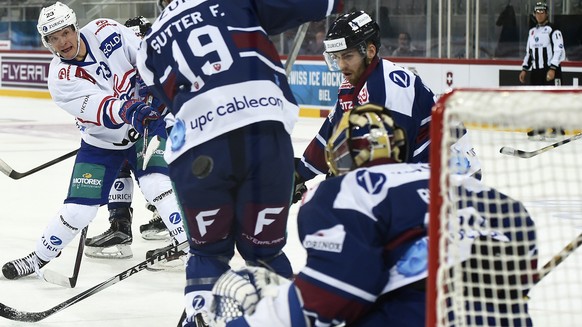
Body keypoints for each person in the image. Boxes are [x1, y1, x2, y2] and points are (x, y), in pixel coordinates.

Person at [208, 103, 539, 327]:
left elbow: (336, 294)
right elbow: (518, 228)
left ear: (340, 155)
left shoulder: (345, 190)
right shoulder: (451, 179)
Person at [136, 0, 344, 325]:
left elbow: (168, 101)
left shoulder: (148, 45)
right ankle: (282, 318)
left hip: (198, 149)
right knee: (265, 253)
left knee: (207, 253)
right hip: (264, 133)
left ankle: (202, 314)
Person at [1, 1, 187, 280]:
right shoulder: (60, 79)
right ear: (47, 42)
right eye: (53, 38)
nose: (62, 42)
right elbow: (103, 108)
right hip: (102, 143)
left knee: (155, 183)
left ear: (75, 28)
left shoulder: (106, 29)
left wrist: (157, 88)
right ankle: (37, 259)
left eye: (65, 32)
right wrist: (131, 109)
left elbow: (146, 58)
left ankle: (188, 245)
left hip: (145, 131)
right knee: (78, 212)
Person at [293, 11, 480, 203]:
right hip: (419, 169)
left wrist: (347, 179)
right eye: (336, 57)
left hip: (453, 174)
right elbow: (333, 131)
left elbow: (394, 162)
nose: (341, 65)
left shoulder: (390, 91)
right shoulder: (352, 84)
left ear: (370, 51)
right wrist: (300, 173)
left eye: (347, 56)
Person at [84, 15, 170, 261]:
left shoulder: (157, 55)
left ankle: (180, 230)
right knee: (118, 164)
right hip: (135, 130)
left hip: (170, 126)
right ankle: (120, 226)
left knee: (160, 174)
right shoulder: (121, 60)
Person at [519, 2, 566, 139]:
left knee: (554, 99)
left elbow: (559, 50)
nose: (539, 14)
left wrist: (552, 68)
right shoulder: (532, 31)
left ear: (546, 13)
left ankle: (558, 127)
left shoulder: (554, 29)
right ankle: (540, 126)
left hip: (551, 70)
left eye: (542, 12)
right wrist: (524, 69)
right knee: (537, 99)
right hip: (537, 71)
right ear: (534, 14)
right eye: (537, 12)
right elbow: (529, 52)